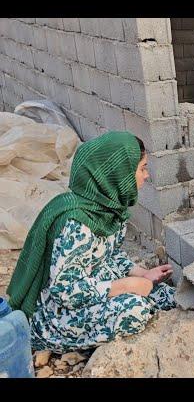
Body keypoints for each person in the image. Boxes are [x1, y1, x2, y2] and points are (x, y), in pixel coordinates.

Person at [6, 131, 176, 354]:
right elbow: (64, 290)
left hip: (95, 284)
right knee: (135, 310)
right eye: (142, 168)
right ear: (119, 173)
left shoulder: (109, 208)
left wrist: (142, 274)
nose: (146, 176)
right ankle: (48, 342)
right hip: (57, 315)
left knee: (166, 295)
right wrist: (126, 286)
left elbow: (110, 255)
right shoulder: (77, 223)